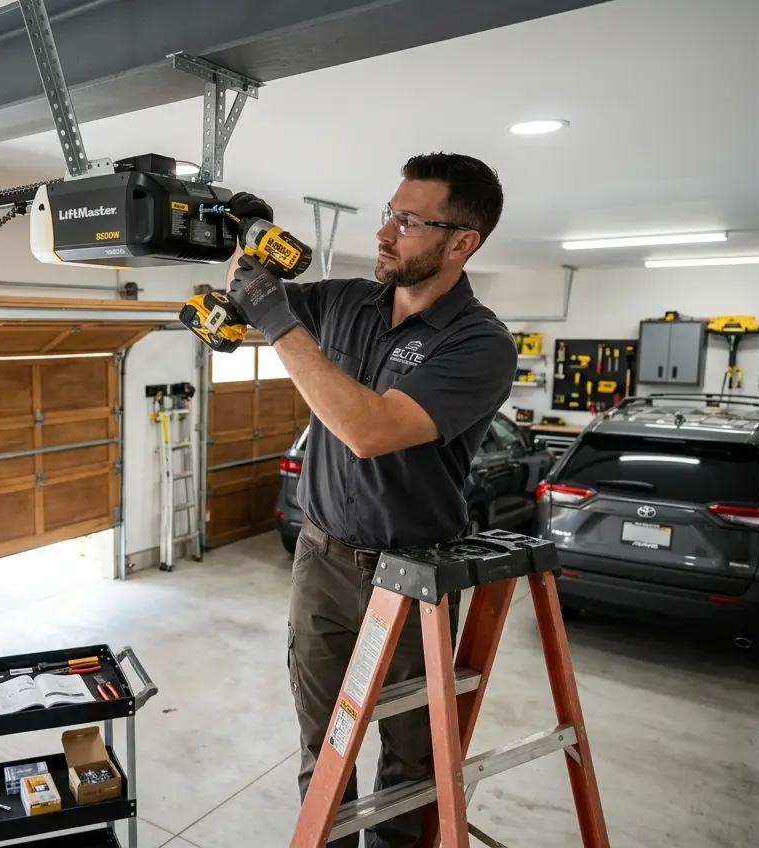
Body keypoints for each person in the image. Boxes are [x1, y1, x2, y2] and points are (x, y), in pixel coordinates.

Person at [223, 153, 517, 848]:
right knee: (320, 745)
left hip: (413, 573)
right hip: (321, 560)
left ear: (461, 242)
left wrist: (278, 323)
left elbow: (367, 430)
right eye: (389, 213)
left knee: (410, 756)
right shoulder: (346, 301)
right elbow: (246, 299)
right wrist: (238, 240)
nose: (386, 233)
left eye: (409, 221)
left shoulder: (481, 344)